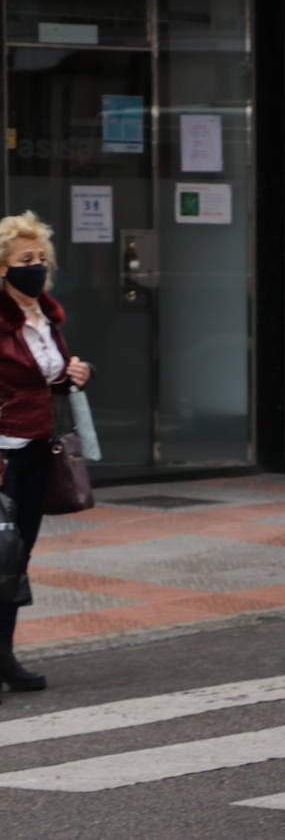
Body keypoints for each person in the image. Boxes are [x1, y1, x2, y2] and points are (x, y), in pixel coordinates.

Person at [0, 211, 90, 696]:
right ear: (2, 268)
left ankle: (5, 657)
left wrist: (72, 376)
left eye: (40, 259)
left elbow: (44, 377)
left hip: (35, 450)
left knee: (14, 560)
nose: (35, 267)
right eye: (24, 260)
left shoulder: (45, 315)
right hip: (2, 455)